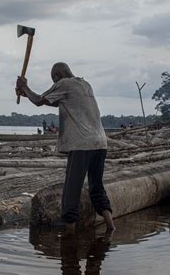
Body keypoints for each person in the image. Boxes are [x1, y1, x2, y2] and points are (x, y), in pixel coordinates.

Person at [16, 62, 115, 232]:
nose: (54, 84)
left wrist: (25, 87)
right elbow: (50, 101)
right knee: (96, 187)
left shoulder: (64, 84)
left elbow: (39, 101)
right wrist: (26, 93)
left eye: (53, 80)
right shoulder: (84, 85)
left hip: (82, 144)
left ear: (57, 76)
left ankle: (69, 236)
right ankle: (111, 227)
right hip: (100, 143)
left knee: (71, 192)